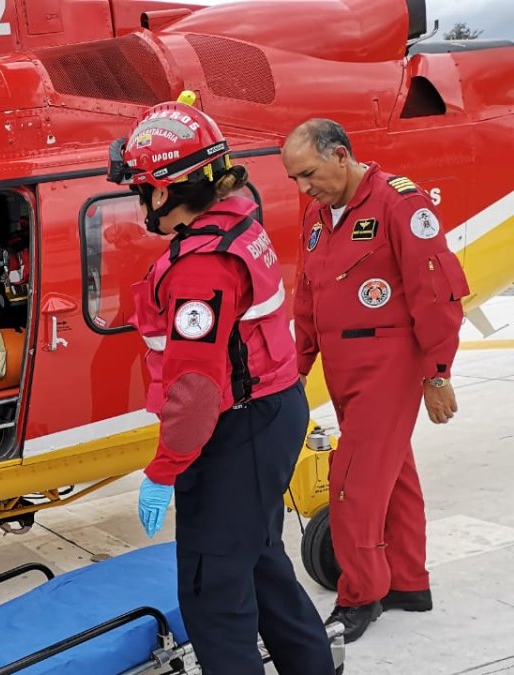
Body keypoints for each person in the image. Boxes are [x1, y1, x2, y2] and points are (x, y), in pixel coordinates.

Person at [109, 96, 336, 674]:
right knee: (260, 562)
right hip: (271, 412)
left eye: (140, 188)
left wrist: (164, 469)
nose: (140, 201)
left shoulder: (200, 267)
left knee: (214, 593)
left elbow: (196, 387)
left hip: (236, 428)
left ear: (163, 191)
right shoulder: (238, 222)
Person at [282, 118, 469, 642]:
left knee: (352, 483)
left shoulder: (399, 204)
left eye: (309, 173)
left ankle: (360, 595)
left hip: (389, 364)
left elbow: (436, 291)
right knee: (394, 473)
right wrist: (295, 366)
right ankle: (408, 581)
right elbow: (308, 295)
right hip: (344, 367)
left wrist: (437, 374)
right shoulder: (318, 216)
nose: (303, 187)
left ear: (341, 156)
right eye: (295, 178)